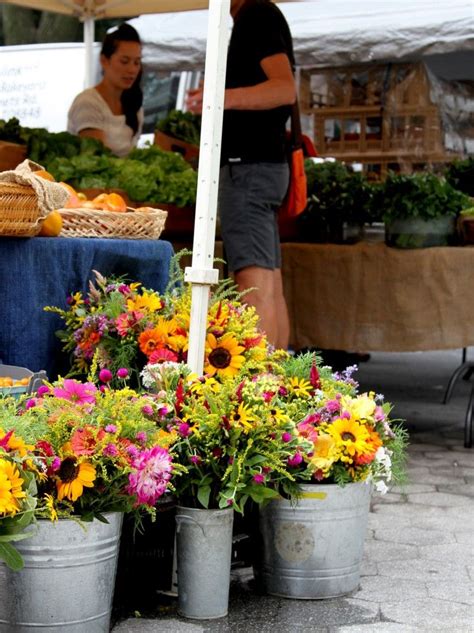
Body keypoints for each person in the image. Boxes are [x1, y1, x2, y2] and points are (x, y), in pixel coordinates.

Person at [187, 0, 296, 349]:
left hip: (247, 168)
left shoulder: (256, 15)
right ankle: (277, 385)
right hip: (260, 168)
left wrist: (218, 97)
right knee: (269, 281)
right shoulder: (259, 15)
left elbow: (284, 89)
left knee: (253, 283)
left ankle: (259, 387)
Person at [67, 23, 143, 158]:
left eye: (136, 62)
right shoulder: (88, 103)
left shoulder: (135, 104)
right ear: (104, 60)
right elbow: (96, 160)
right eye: (124, 61)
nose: (132, 69)